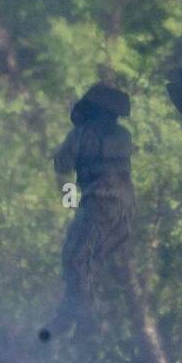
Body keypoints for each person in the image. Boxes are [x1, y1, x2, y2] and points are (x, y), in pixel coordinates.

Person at [38, 83, 134, 342]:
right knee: (90, 261)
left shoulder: (82, 134)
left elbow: (62, 165)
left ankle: (83, 317)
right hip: (123, 208)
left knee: (74, 256)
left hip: (99, 203)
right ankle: (74, 314)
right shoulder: (123, 135)